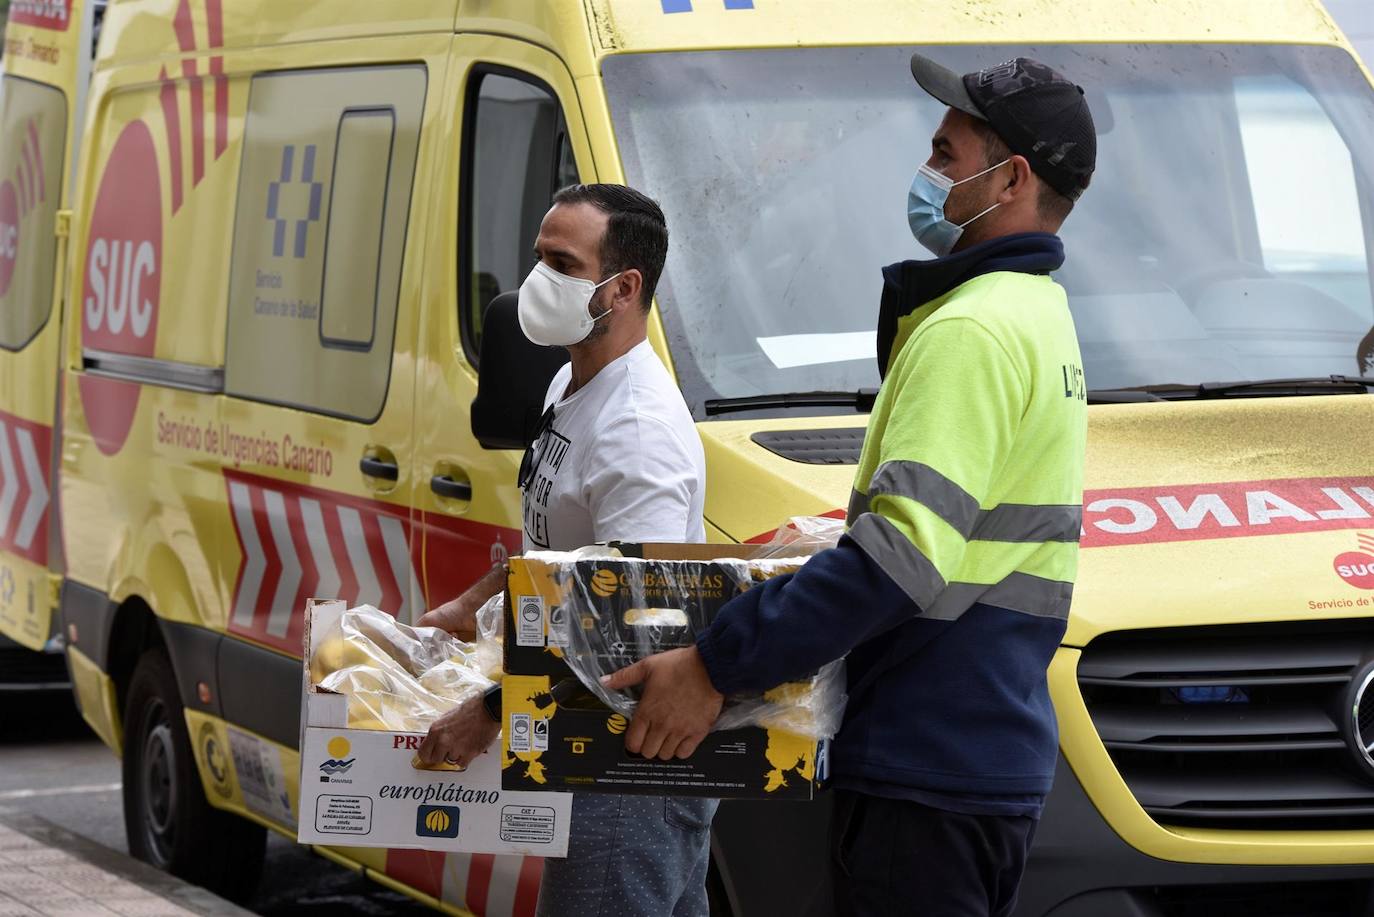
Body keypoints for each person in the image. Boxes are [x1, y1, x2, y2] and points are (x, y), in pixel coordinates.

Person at [603, 56, 1097, 917]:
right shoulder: (1038, 311)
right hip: (985, 753)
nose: (928, 170)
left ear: (1012, 177)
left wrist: (716, 663)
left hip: (929, 764)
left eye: (947, 153)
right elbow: (946, 537)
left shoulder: (972, 329)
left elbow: (898, 561)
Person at [414, 183, 718, 917]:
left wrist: (490, 709)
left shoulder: (637, 433)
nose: (536, 281)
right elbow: (569, 550)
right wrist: (477, 600)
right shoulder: (572, 380)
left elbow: (629, 625)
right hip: (587, 737)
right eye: (537, 257)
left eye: (560, 262)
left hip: (628, 764)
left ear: (622, 288)